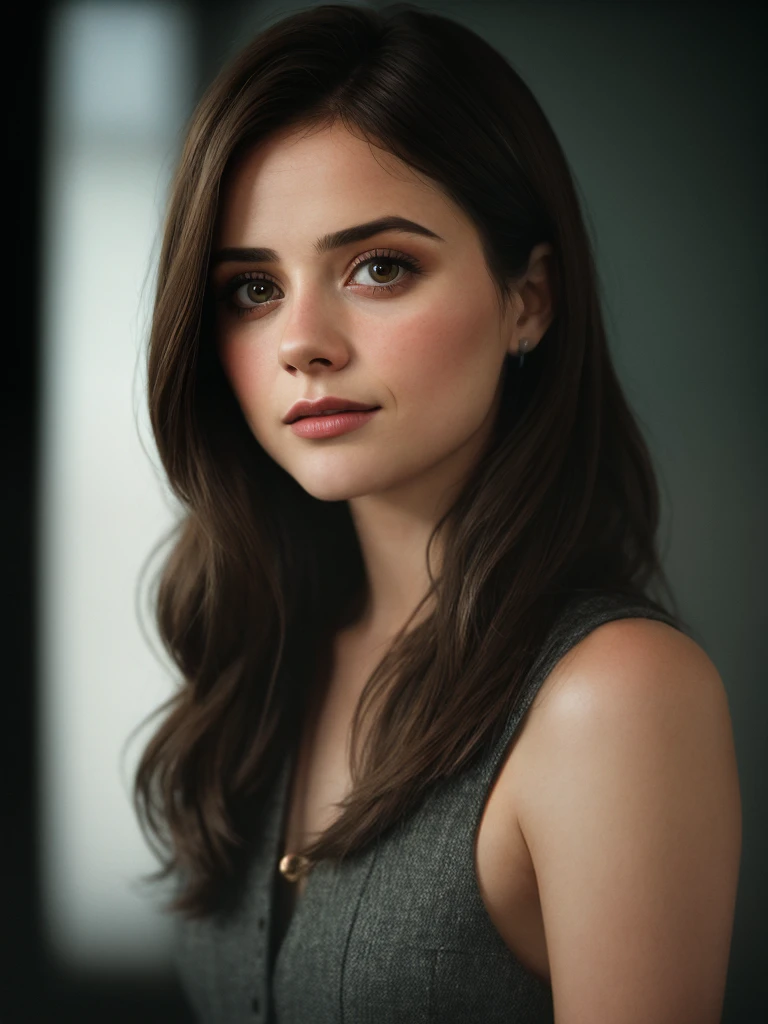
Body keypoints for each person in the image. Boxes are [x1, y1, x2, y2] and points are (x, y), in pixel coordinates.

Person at [132, 4, 741, 1022]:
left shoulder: (614, 698)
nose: (303, 342)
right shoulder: (267, 649)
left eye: (379, 268)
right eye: (251, 288)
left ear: (530, 300)